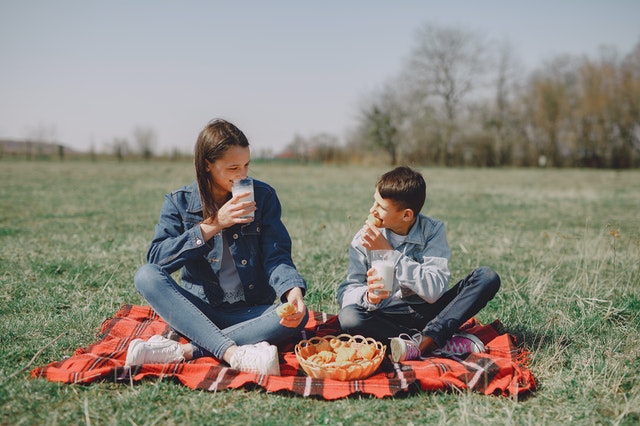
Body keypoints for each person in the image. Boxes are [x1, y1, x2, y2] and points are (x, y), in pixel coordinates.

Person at [125, 118, 309, 375]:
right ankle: (233, 353)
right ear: (207, 165)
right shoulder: (179, 203)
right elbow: (157, 260)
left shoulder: (264, 196)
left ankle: (186, 351)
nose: (242, 175)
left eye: (246, 165)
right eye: (233, 168)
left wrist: (292, 291)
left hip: (251, 311)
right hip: (199, 310)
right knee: (145, 276)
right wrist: (214, 224)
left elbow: (276, 254)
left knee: (299, 316)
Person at [337, 166, 500, 362]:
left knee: (487, 277)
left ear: (406, 215)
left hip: (429, 312)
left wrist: (390, 254)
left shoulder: (432, 231)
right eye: (374, 201)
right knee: (349, 318)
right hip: (385, 315)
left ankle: (423, 342)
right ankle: (434, 341)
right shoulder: (363, 239)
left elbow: (434, 292)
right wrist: (368, 297)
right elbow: (347, 292)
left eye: (381, 207)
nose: (372, 210)